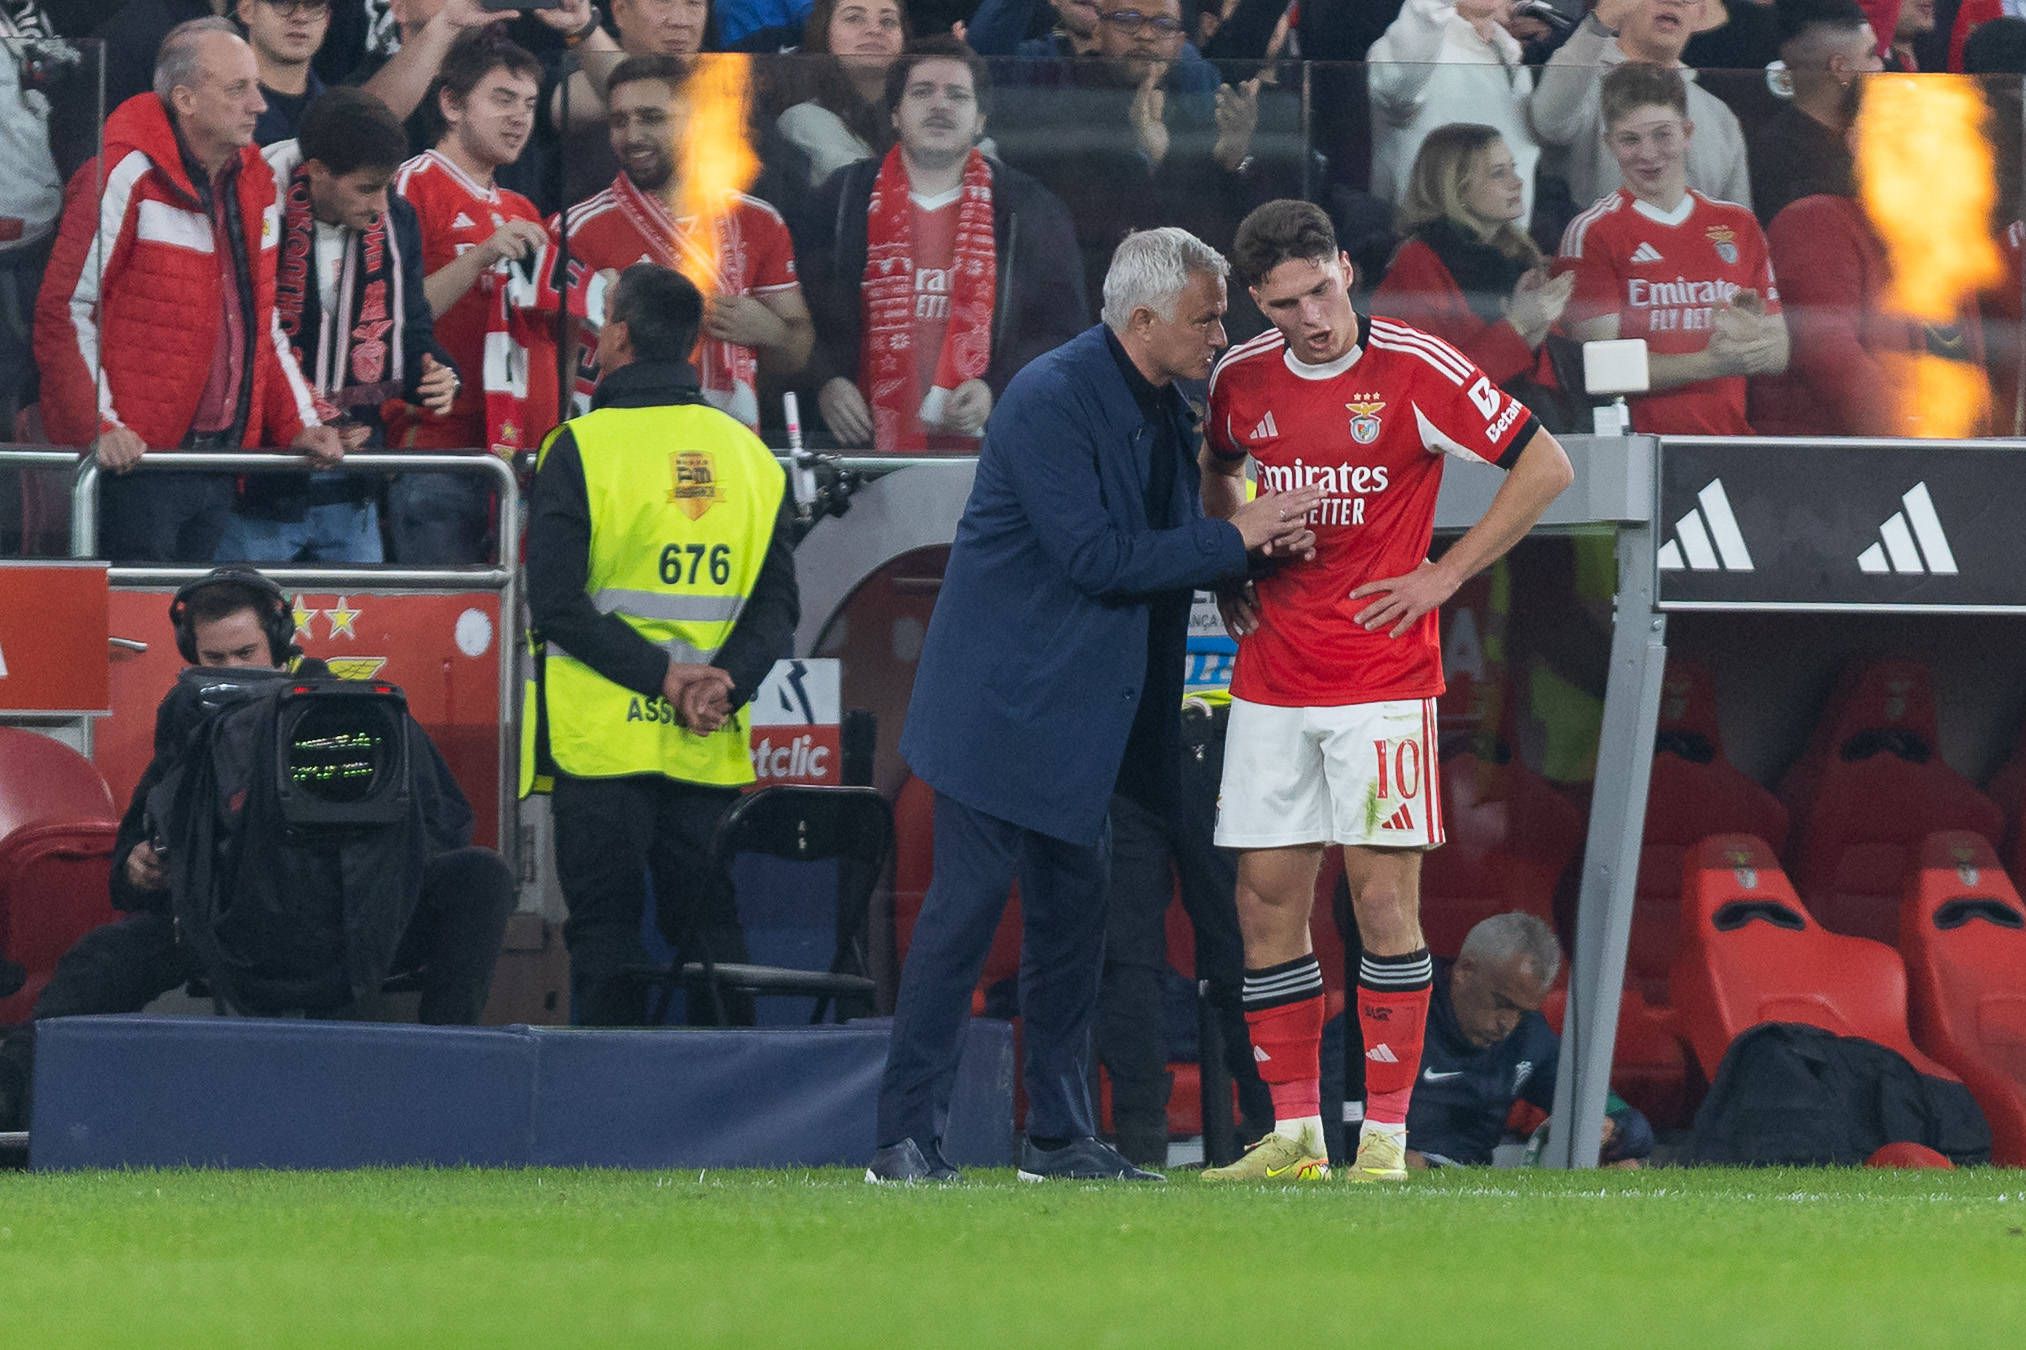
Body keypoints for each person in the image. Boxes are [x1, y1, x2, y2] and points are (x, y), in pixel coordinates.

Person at [867, 227, 1326, 1185]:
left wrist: (1232, 562)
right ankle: (903, 1139)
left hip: (1090, 723)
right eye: (1206, 318)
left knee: (1075, 937)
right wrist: (1231, 540)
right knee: (959, 925)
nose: (1220, 334)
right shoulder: (1049, 399)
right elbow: (1095, 560)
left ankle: (1060, 1136)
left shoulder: (1165, 407)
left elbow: (1159, 555)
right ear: (1144, 319)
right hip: (1000, 714)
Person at [1197, 199, 1573, 1185]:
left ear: (1346, 270)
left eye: (1320, 290)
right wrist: (1227, 557)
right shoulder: (1239, 379)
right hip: (1274, 675)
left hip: (1380, 677)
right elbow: (1215, 467)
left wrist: (1446, 577)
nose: (1311, 318)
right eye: (1285, 304)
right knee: (1264, 905)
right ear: (1257, 303)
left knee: (1379, 902)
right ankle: (1294, 1140)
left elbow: (1547, 464)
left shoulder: (1417, 368)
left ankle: (1386, 1145)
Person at [0, 564, 516, 1132]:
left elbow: (443, 826)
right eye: (214, 661)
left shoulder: (358, 710)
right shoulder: (187, 721)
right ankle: (17, 1109)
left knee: (481, 877)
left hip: (354, 919)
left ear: (279, 641)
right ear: (189, 652)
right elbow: (131, 860)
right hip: (226, 926)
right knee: (99, 961)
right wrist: (137, 867)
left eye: (245, 655)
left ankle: (451, 1088)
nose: (231, 672)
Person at [522, 263, 799, 1027]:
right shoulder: (750, 455)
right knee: (712, 937)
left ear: (616, 334)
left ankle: (609, 1123)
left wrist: (663, 677)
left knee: (607, 935)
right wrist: (719, 685)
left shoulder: (578, 446)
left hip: (602, 742)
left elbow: (555, 606)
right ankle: (738, 1121)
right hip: (704, 740)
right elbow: (778, 609)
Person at [33, 18, 341, 564]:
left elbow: (263, 324)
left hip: (219, 465)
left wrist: (302, 424)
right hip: (136, 465)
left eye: (255, 87)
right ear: (186, 99)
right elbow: (66, 311)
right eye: (238, 89)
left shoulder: (255, 181)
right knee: (137, 637)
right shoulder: (122, 173)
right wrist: (98, 426)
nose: (259, 105)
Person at [798, 37, 1087, 452]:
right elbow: (798, 314)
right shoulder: (841, 199)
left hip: (990, 457)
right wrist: (824, 381)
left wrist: (997, 391)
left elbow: (1064, 331)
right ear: (895, 113)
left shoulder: (1029, 208)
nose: (940, 105)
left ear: (981, 119)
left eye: (957, 95)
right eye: (922, 92)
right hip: (860, 454)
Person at [220, 87, 460, 563]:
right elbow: (242, 341)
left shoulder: (400, 220)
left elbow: (412, 327)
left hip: (352, 485)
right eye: (367, 187)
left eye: (387, 186)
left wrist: (434, 375)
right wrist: (310, 418)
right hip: (262, 487)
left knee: (357, 638)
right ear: (318, 171)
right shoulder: (252, 208)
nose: (380, 205)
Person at [556, 52, 811, 431]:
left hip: (726, 444)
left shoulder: (758, 220)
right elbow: (552, 363)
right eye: (619, 121)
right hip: (625, 440)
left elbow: (798, 350)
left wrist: (769, 330)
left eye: (652, 118)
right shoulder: (575, 228)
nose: (632, 136)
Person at [387, 26, 557, 562]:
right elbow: (390, 312)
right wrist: (481, 254)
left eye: (529, 104)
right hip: (436, 452)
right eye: (502, 99)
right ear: (452, 104)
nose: (519, 118)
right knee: (440, 628)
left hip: (514, 453)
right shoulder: (412, 184)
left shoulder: (524, 210)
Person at [1557, 62, 1789, 435]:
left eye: (1663, 135)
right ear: (1609, 144)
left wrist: (1746, 340)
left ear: (1687, 133)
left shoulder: (1738, 224)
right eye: (1630, 139)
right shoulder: (1593, 232)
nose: (1648, 154)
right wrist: (1713, 362)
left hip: (1728, 443)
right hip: (1637, 454)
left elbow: (1779, 353)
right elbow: (1599, 370)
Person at [1097, 689, 1272, 1168]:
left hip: (1232, 732)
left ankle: (1272, 1135)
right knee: (1126, 957)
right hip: (1127, 727)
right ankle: (1140, 1147)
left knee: (1246, 945)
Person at [1748, 87, 1990, 435]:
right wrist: (1921, 441)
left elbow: (1966, 379)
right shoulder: (1817, 220)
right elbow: (1828, 352)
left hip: (1931, 468)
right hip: (1839, 468)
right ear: (1858, 145)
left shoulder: (1941, 250)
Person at [1407, 912, 1653, 1168]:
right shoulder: (1402, 1003)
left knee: (1624, 1164)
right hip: (1391, 1163)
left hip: (1469, 1178)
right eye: (1501, 1004)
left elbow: (1633, 1125)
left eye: (1522, 1012)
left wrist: (1614, 1130)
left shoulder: (1529, 1037)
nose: (1508, 1024)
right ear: (1465, 971)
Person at [1371, 123, 1574, 406]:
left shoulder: (1521, 256)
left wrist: (1536, 332)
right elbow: (1430, 390)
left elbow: (1558, 382)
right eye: (1498, 173)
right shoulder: (1417, 263)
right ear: (1457, 189)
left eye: (1512, 168)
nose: (1517, 182)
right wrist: (1517, 325)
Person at [1530, 0, 1753, 213]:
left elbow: (1738, 227)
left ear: (1699, 14)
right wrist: (1596, 27)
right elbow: (1548, 122)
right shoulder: (1582, 82)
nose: (1674, 2)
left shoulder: (1719, 114)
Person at [1366, 0, 1542, 226]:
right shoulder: (1409, 48)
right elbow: (1397, 84)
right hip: (1429, 247)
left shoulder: (1514, 58)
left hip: (1508, 249)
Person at [1747, 0, 1882, 228]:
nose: (1880, 66)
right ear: (1840, 68)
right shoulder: (1779, 160)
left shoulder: (1873, 139)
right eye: (1871, 54)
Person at [771, 0, 909, 189]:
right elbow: (864, 189)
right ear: (825, 32)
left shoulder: (915, 113)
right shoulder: (803, 118)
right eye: (854, 18)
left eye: (888, 21)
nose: (875, 30)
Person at [240, 0, 329, 144]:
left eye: (314, 4)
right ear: (248, 10)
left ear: (326, 19)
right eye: (284, 2)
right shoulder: (214, 106)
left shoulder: (338, 118)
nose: (301, 17)